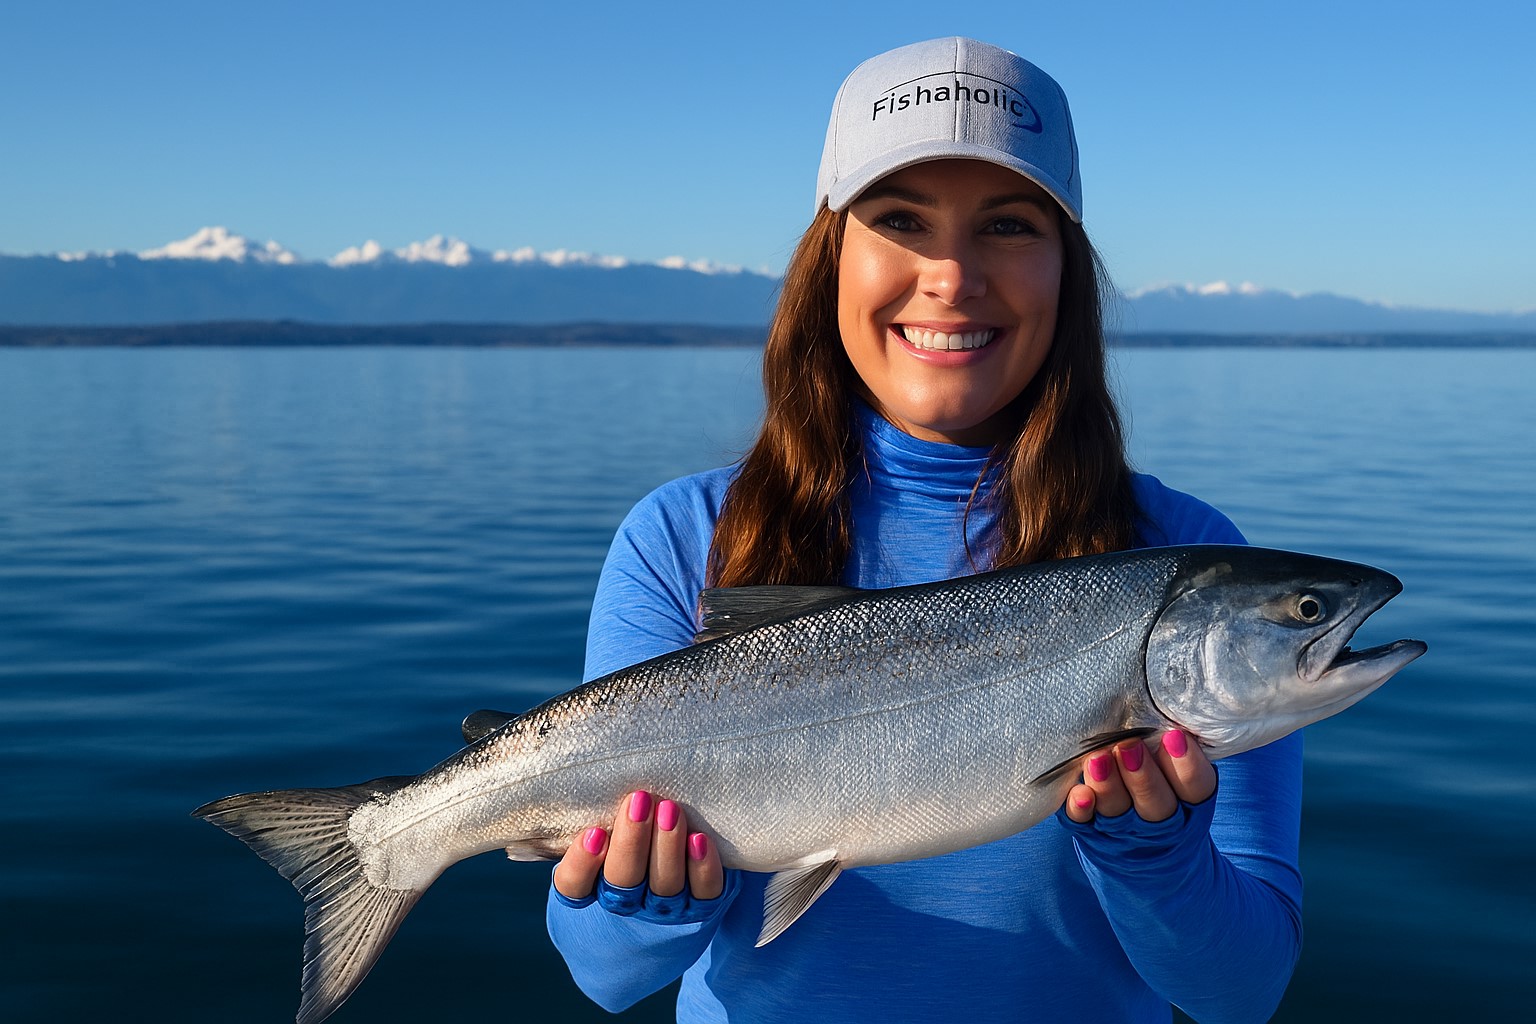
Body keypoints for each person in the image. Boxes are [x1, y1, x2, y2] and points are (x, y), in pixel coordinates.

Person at [544, 37, 1302, 1023]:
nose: (951, 275)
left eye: (1008, 224)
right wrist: (644, 903)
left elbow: (1242, 993)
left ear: (1067, 270)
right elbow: (605, 974)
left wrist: (1160, 860)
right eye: (901, 220)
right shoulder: (683, 537)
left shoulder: (1183, 561)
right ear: (832, 257)